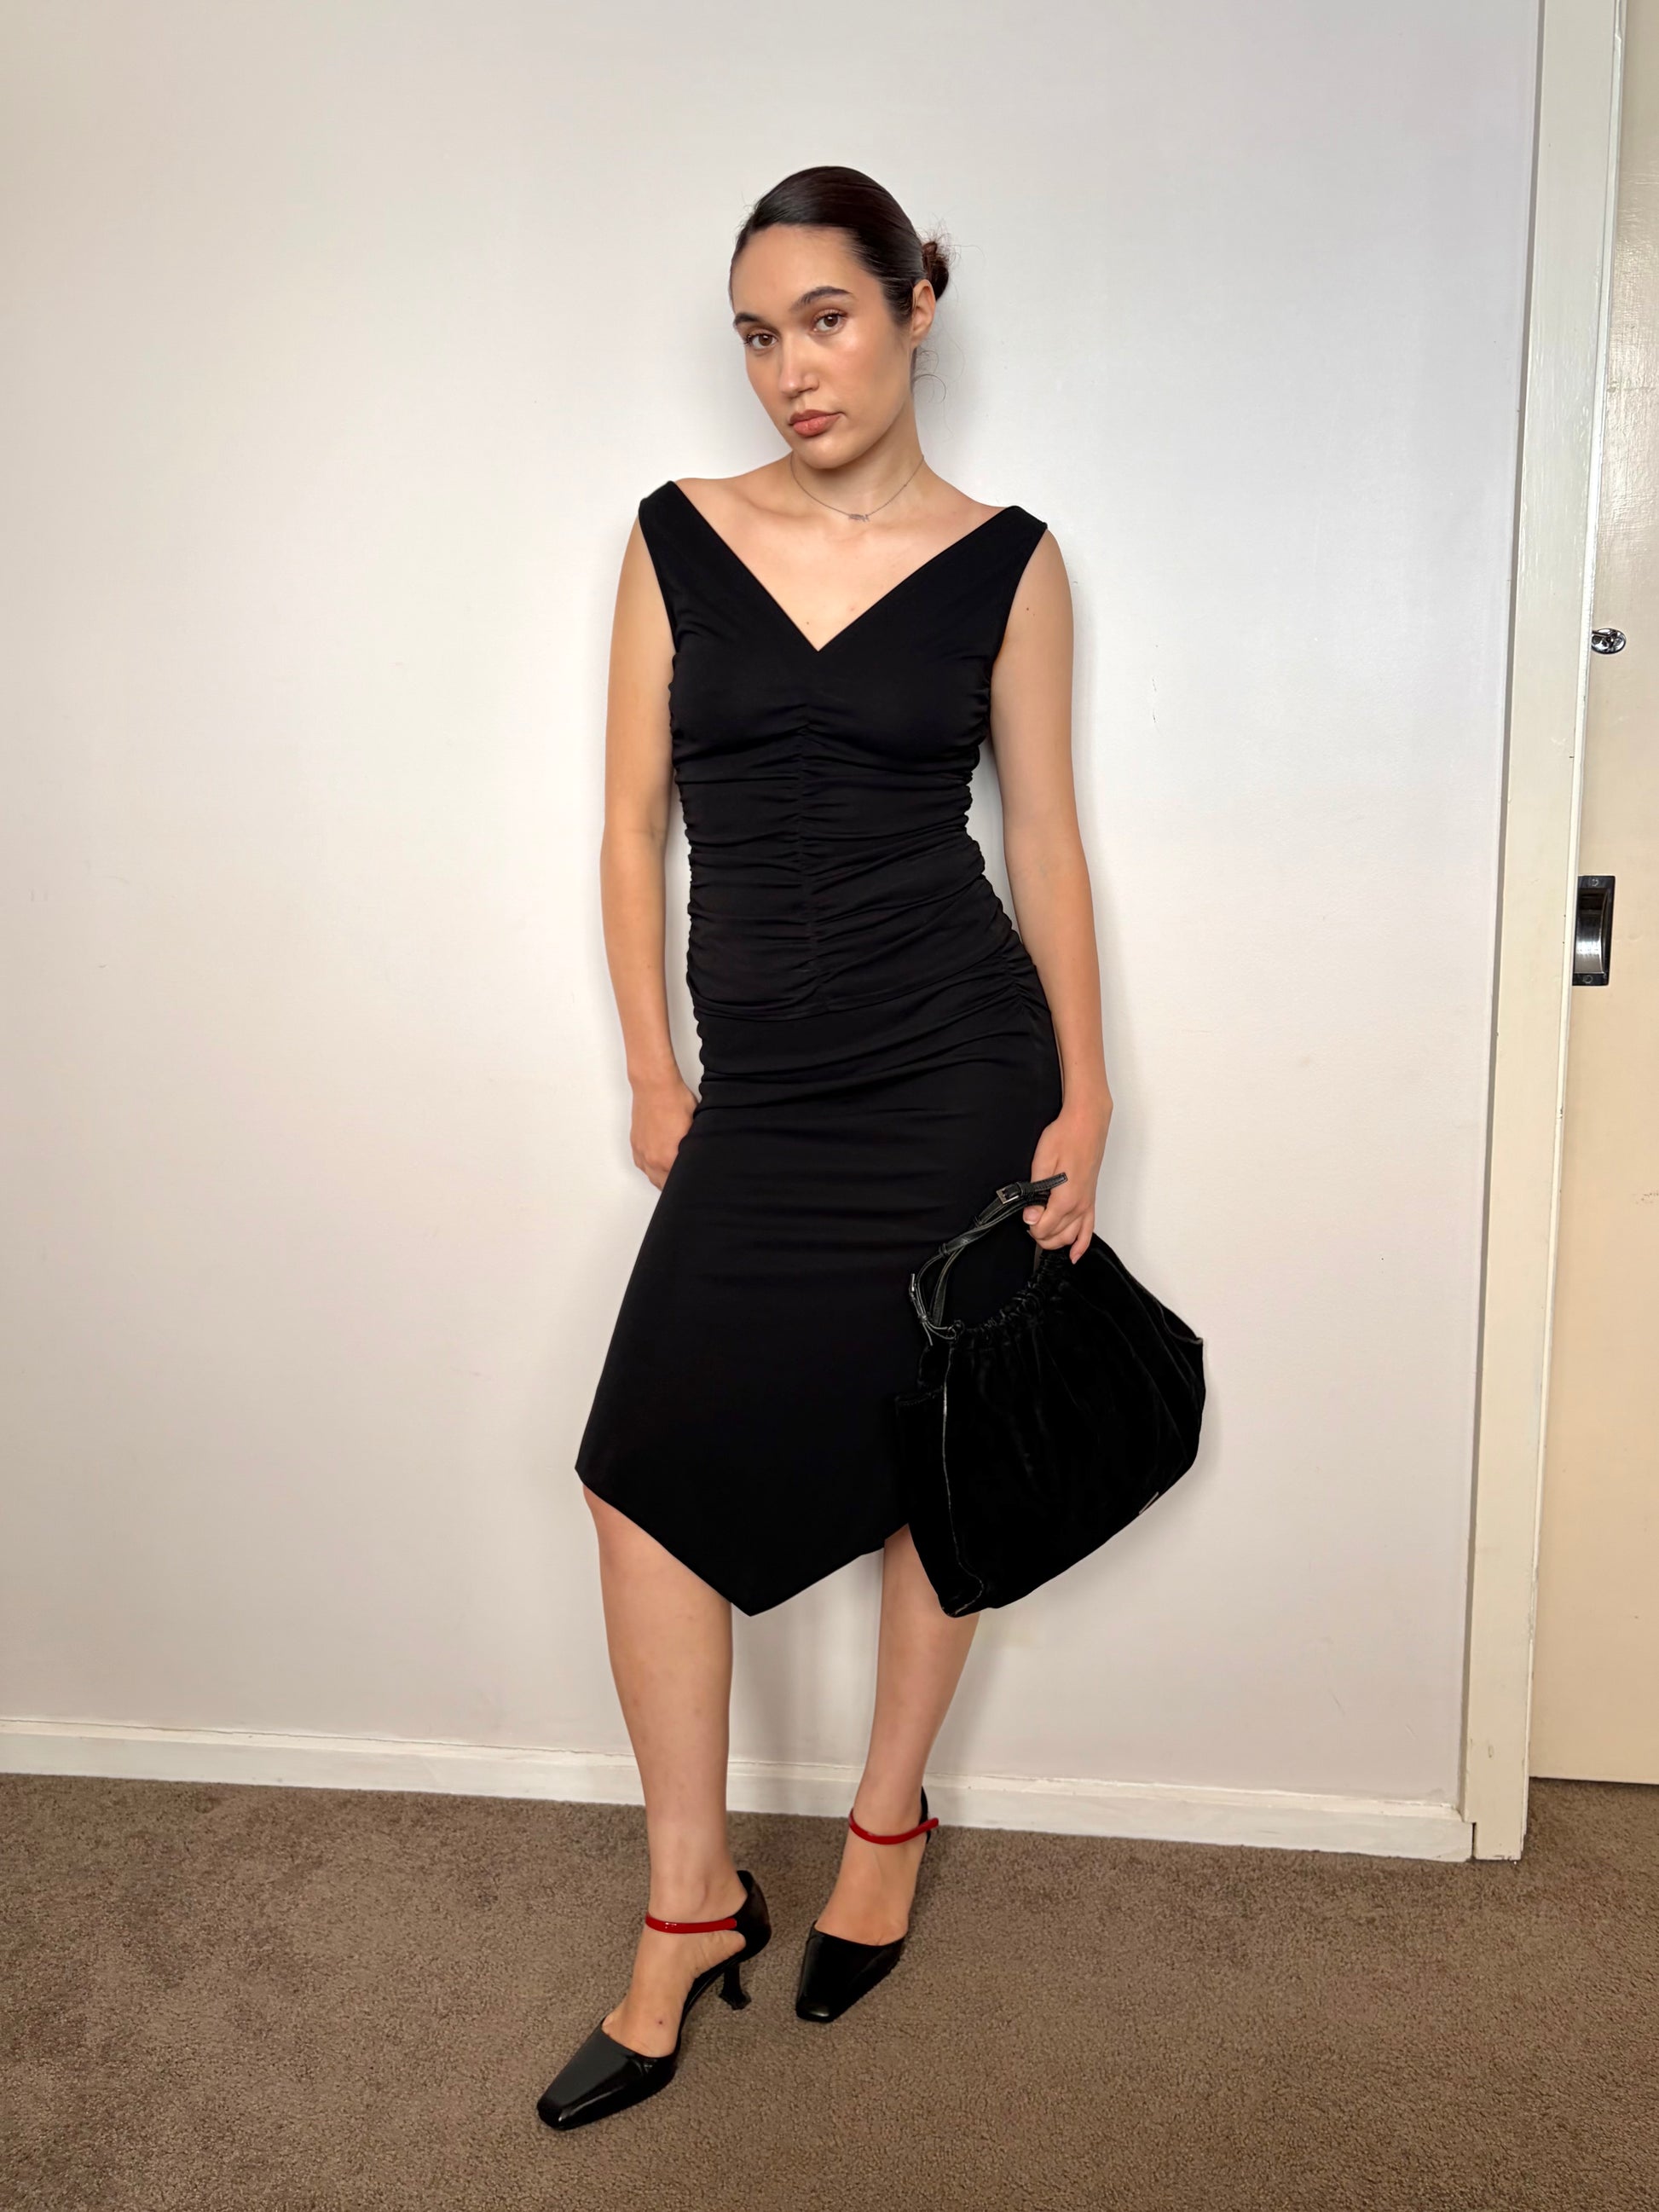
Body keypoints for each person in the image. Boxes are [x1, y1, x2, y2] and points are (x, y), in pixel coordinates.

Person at [538, 164, 1112, 2132]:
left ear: (914, 304)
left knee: (937, 1446)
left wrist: (1087, 1097)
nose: (792, 369)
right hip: (764, 1085)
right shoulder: (676, 536)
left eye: (827, 320)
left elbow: (1044, 841)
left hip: (957, 1059)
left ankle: (883, 1819)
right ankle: (689, 1899)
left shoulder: (1008, 563)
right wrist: (652, 1066)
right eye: (757, 337)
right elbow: (630, 823)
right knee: (637, 1478)